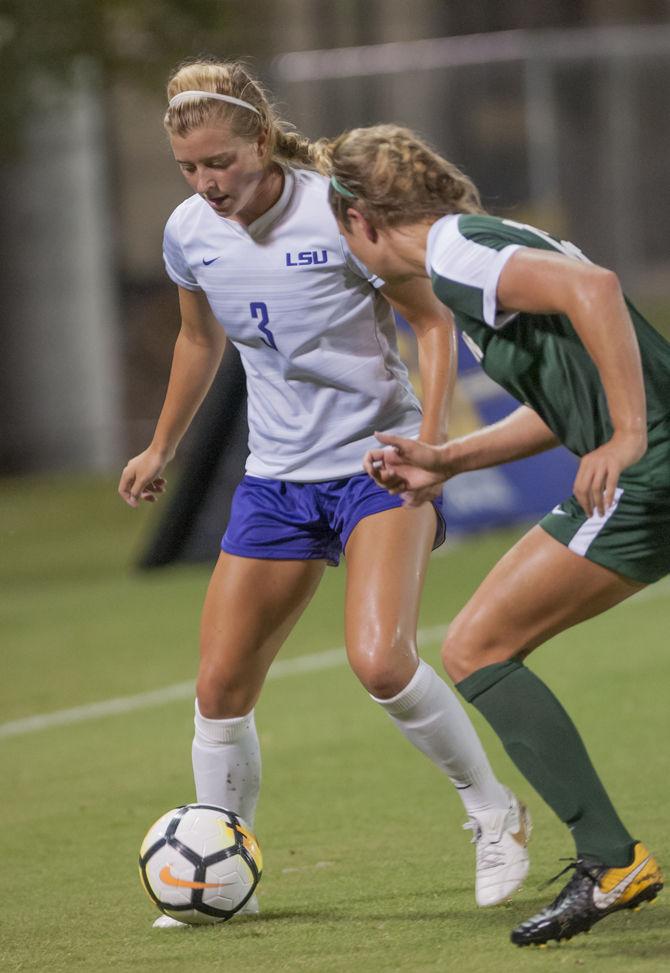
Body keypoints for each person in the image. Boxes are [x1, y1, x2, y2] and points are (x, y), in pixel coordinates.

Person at [118, 62, 531, 927]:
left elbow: (429, 319)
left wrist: (435, 442)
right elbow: (200, 341)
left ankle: (494, 810)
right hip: (274, 480)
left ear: (261, 141)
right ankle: (215, 871)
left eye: (221, 162)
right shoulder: (189, 231)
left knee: (382, 661)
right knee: (220, 686)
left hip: (376, 468)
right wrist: (161, 444)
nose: (207, 183)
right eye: (190, 169)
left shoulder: (336, 211)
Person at [318, 122, 667, 947]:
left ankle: (611, 859)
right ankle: (610, 857)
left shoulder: (456, 254)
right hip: (652, 460)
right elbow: (553, 404)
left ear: (361, 219)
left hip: (650, 467)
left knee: (476, 645)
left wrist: (624, 435)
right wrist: (447, 457)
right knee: (477, 643)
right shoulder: (478, 257)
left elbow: (600, 290)